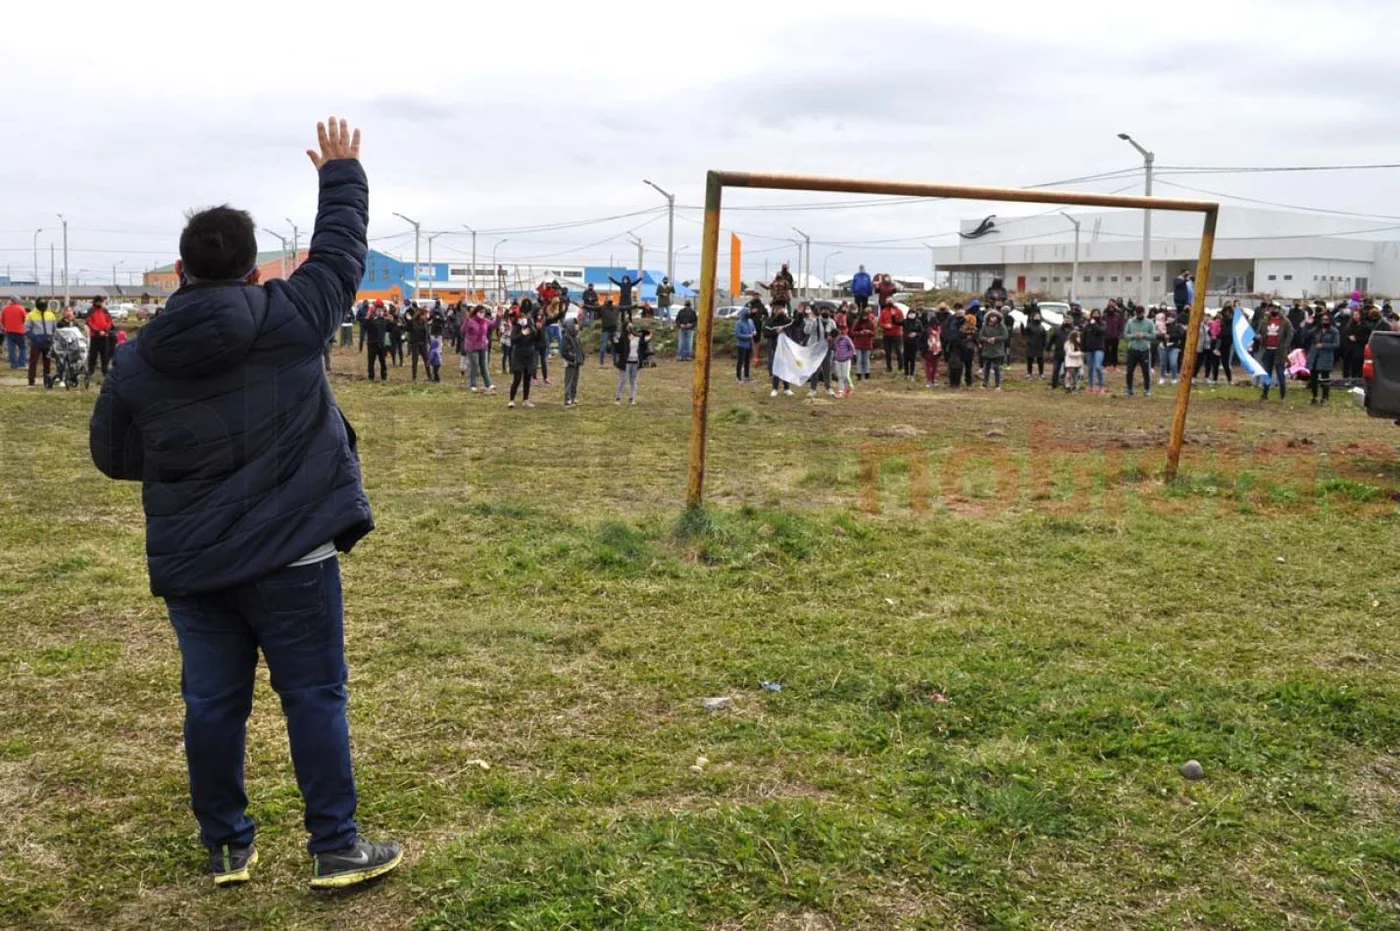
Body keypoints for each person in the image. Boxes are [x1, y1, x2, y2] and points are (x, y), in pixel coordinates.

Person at [87, 117, 401, 889]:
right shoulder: (289, 319)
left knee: (213, 705)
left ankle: (227, 843)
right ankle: (335, 845)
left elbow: (113, 454)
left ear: (182, 271)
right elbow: (339, 256)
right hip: (296, 553)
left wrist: (184, 470)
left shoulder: (138, 359)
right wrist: (342, 175)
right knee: (315, 696)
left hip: (196, 565)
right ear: (254, 269)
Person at [1258, 304, 1293, 402]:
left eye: (1276, 308)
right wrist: (1260, 338)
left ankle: (1283, 395)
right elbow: (1260, 332)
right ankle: (1264, 394)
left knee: (1280, 373)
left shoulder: (1285, 322)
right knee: (1266, 373)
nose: (1274, 310)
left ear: (1279, 309)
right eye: (1272, 308)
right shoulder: (1265, 321)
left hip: (1279, 351)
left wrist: (1285, 346)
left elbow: (1290, 334)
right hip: (1267, 350)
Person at [1307, 311, 1340, 405]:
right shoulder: (1317, 329)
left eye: (1326, 320)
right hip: (1315, 355)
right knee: (1313, 378)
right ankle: (1314, 397)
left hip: (1326, 356)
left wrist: (1323, 345)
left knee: (1325, 378)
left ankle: (1325, 398)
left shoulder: (1334, 331)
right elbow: (1306, 335)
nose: (1324, 321)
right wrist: (1307, 324)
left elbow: (1336, 345)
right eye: (1322, 320)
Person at [508, 304, 538, 408]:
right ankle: (511, 400)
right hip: (518, 355)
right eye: (521, 318)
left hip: (529, 354)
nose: (523, 320)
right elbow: (513, 340)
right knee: (517, 379)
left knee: (527, 378)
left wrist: (533, 327)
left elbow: (536, 337)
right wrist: (522, 334)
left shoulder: (530, 325)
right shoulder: (516, 327)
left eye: (524, 318)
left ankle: (526, 399)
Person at [25, 297, 58, 387]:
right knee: (33, 362)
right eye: (41, 305)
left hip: (48, 341)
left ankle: (47, 381)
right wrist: (33, 338)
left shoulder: (51, 315)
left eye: (44, 305)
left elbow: (55, 329)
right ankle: (31, 381)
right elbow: (26, 329)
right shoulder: (31, 315)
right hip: (36, 342)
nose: (43, 307)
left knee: (47, 362)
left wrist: (52, 338)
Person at [614, 323, 650, 405]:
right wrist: (615, 342)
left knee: (633, 381)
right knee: (623, 380)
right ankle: (618, 397)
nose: (630, 328)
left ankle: (632, 398)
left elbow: (643, 347)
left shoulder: (637, 337)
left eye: (631, 326)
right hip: (625, 362)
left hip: (635, 361)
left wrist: (646, 340)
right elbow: (619, 349)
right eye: (628, 326)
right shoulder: (623, 337)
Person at [1124, 304, 1155, 397]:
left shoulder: (1149, 322)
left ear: (1144, 313)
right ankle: (1129, 389)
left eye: (1140, 314)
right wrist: (1134, 335)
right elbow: (1125, 335)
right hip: (1132, 349)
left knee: (1146, 371)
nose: (1139, 315)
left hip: (1144, 349)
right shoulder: (1130, 322)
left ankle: (1147, 389)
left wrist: (1144, 335)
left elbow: (1153, 336)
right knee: (1129, 370)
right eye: (1137, 314)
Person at [461, 305, 494, 392]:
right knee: (474, 365)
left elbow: (494, 325)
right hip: (472, 347)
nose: (482, 314)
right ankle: (473, 384)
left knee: (484, 365)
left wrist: (498, 316)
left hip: (483, 345)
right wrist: (466, 321)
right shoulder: (471, 321)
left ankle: (488, 384)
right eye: (480, 312)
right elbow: (463, 330)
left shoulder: (485, 321)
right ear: (476, 312)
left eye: (483, 312)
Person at [764, 304, 794, 396]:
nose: (779, 311)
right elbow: (766, 333)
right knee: (776, 368)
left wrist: (800, 313)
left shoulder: (787, 320)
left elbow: (794, 324)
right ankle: (775, 388)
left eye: (781, 309)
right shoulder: (769, 321)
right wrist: (775, 332)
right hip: (775, 347)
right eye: (777, 309)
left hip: (786, 348)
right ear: (774, 311)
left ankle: (786, 388)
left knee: (785, 368)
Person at [806, 307, 837, 397]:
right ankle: (813, 389)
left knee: (827, 369)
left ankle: (828, 388)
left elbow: (835, 333)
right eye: (823, 310)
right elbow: (807, 331)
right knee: (815, 369)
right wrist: (810, 321)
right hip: (816, 348)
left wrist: (832, 337)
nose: (825, 312)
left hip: (827, 348)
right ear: (820, 311)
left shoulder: (832, 322)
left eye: (827, 310)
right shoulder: (815, 321)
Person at [85, 296, 116, 379]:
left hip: (104, 336)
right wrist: (98, 331)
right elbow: (88, 322)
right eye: (98, 302)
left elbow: (109, 321)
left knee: (105, 355)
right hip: (95, 336)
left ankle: (105, 371)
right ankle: (90, 371)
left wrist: (105, 330)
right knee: (93, 355)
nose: (100, 304)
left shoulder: (105, 310)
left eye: (101, 302)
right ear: (95, 302)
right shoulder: (91, 310)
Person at [978, 310, 1009, 390]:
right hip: (987, 350)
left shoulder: (1001, 325)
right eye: (991, 317)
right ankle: (985, 384)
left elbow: (1005, 336)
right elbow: (980, 336)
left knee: (996, 368)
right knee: (986, 367)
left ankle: (998, 385)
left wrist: (995, 339)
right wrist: (987, 339)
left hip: (997, 350)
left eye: (994, 317)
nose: (993, 318)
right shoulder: (985, 326)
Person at [560, 317, 584, 406]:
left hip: (577, 361)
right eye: (575, 324)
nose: (577, 326)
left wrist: (581, 357)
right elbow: (563, 351)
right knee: (569, 380)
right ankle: (567, 398)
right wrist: (572, 357)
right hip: (570, 362)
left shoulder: (576, 336)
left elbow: (580, 348)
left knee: (575, 380)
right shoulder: (566, 337)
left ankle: (573, 397)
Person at [1082, 308, 1106, 394]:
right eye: (1094, 313)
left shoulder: (1102, 323)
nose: (1096, 315)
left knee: (1098, 367)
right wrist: (1083, 348)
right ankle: (1090, 386)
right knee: (1090, 368)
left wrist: (1094, 324)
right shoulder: (1087, 325)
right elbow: (1084, 336)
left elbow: (1101, 331)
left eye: (1097, 313)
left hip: (1099, 348)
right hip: (1089, 349)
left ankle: (1101, 386)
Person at [363, 302, 389, 381]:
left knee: (383, 362)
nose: (380, 311)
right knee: (371, 362)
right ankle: (371, 377)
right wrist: (368, 316)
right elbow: (364, 326)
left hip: (381, 343)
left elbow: (390, 328)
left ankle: (384, 377)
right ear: (375, 310)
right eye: (378, 309)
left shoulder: (384, 320)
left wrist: (392, 321)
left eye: (381, 309)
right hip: (372, 343)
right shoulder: (371, 318)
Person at [878, 299, 903, 374]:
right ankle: (889, 367)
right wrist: (885, 326)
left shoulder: (898, 311)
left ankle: (901, 367)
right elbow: (880, 322)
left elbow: (901, 322)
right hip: (887, 334)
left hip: (897, 334)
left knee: (899, 351)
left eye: (890, 301)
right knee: (887, 351)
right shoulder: (884, 311)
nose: (889, 303)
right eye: (887, 302)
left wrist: (892, 325)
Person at [3, 296, 27, 369]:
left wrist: (6, 326)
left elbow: (2, 320)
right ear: (17, 301)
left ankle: (14, 365)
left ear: (11, 300)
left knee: (11, 349)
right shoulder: (21, 308)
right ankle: (21, 364)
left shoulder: (5, 309)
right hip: (20, 331)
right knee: (23, 347)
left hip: (9, 331)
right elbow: (25, 319)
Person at [851, 308, 876, 381]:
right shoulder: (857, 322)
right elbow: (852, 332)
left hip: (867, 344)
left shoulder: (871, 322)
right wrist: (859, 333)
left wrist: (869, 332)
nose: (865, 317)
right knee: (859, 360)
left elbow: (874, 333)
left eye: (866, 315)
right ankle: (858, 374)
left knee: (866, 360)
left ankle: (867, 374)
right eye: (863, 315)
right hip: (858, 343)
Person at [407, 307, 430, 380]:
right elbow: (407, 328)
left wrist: (429, 341)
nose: (424, 317)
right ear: (419, 315)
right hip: (415, 343)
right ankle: (414, 377)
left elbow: (427, 333)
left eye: (425, 315)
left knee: (426, 359)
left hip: (423, 343)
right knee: (415, 360)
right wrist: (410, 320)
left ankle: (429, 376)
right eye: (423, 315)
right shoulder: (413, 322)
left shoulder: (425, 322)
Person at [900, 306, 923, 381]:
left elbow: (922, 331)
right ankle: (906, 374)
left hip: (914, 343)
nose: (911, 314)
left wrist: (916, 334)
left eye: (913, 313)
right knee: (906, 359)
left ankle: (912, 374)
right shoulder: (905, 321)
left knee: (912, 360)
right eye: (910, 313)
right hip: (906, 342)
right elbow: (897, 322)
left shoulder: (918, 322)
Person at [734, 307, 756, 383]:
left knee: (747, 361)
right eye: (747, 313)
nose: (749, 314)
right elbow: (737, 334)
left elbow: (754, 329)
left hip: (749, 345)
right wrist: (748, 336)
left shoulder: (751, 321)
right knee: (740, 361)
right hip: (741, 345)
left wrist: (754, 332)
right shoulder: (739, 323)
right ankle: (738, 377)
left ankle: (746, 376)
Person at [1022, 311, 1047, 380]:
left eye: (1038, 316)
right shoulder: (1029, 326)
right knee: (1030, 360)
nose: (1037, 317)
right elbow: (1024, 334)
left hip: (1039, 346)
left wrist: (1045, 345)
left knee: (1040, 360)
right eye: (1036, 316)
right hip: (1031, 345)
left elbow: (1044, 337)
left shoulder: (1042, 327)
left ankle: (1041, 374)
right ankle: (1029, 373)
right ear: (1032, 317)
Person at [833, 325, 856, 397]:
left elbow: (852, 349)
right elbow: (834, 347)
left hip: (846, 360)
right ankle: (841, 390)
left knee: (845, 375)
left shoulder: (847, 339)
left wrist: (847, 356)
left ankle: (850, 387)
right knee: (840, 376)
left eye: (844, 329)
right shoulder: (836, 339)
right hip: (837, 360)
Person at [598, 298, 620, 366]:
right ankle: (601, 363)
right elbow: (592, 308)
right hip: (605, 330)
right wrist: (584, 306)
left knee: (615, 347)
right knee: (602, 347)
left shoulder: (616, 308)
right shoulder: (602, 308)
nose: (610, 300)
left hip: (614, 330)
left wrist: (635, 306)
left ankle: (615, 362)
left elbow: (626, 307)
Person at [923, 316, 942, 387]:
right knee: (932, 366)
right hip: (934, 350)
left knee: (930, 366)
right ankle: (931, 380)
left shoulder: (927, 330)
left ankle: (930, 380)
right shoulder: (939, 330)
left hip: (932, 349)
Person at [1103, 303, 1123, 369]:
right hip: (1106, 337)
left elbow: (1120, 326)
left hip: (1115, 336)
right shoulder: (1104, 316)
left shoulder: (1118, 316)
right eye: (1109, 308)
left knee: (1114, 350)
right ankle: (1106, 363)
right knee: (1106, 350)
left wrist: (1119, 334)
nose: (1111, 309)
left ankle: (1114, 364)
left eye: (1112, 308)